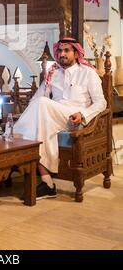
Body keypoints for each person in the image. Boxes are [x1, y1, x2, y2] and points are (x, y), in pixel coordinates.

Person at [13, 37, 107, 200]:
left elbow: (101, 102)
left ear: (76, 53)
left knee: (42, 105)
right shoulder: (53, 73)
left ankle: (12, 143)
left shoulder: (87, 73)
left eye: (66, 51)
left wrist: (83, 115)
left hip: (73, 119)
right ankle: (47, 182)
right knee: (41, 115)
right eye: (60, 51)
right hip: (52, 116)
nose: (62, 54)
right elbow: (36, 98)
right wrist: (25, 114)